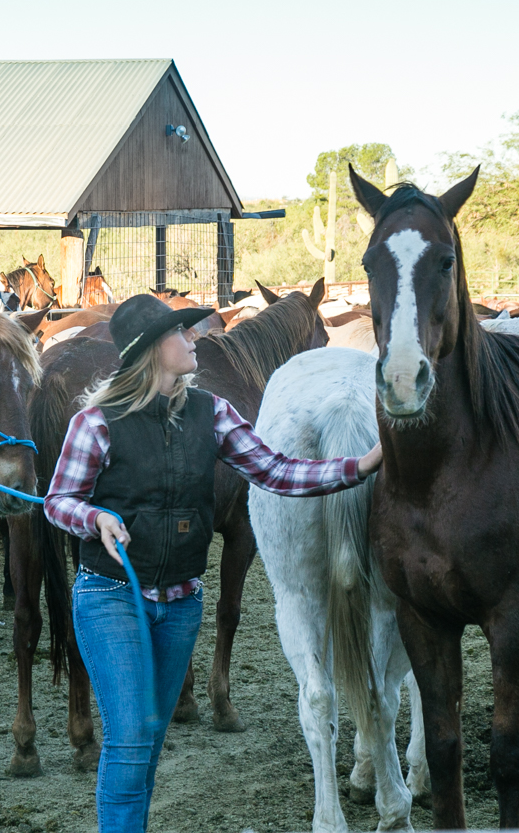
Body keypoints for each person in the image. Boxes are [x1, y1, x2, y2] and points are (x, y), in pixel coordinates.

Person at [44, 293, 381, 833]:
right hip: (110, 597)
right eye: (182, 332)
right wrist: (95, 519)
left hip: (180, 605)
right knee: (130, 738)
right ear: (154, 350)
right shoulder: (95, 423)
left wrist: (361, 465)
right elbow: (59, 501)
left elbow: (275, 471)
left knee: (149, 739)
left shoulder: (213, 413)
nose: (195, 336)